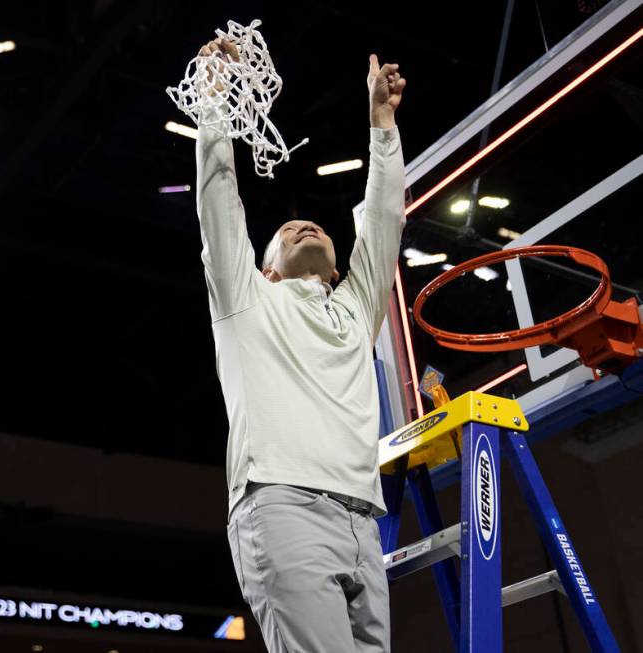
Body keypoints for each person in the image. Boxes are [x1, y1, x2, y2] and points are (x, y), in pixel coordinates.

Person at [194, 36, 407, 653]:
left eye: (311, 225)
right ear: (263, 271)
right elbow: (217, 205)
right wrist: (213, 100)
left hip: (364, 520)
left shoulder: (353, 310)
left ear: (339, 267)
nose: (301, 225)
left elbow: (386, 221)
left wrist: (382, 125)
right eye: (285, 231)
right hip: (282, 505)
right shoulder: (248, 301)